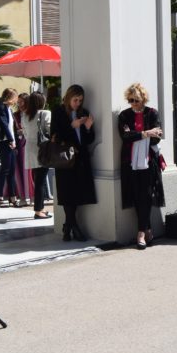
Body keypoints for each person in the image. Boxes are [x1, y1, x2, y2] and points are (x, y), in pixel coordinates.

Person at [117, 83, 165, 248]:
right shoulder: (124, 115)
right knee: (137, 196)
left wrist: (139, 135)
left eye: (136, 100)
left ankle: (141, 233)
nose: (133, 103)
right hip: (129, 161)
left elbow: (156, 138)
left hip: (148, 160)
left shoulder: (152, 113)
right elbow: (125, 136)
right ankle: (148, 229)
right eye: (130, 100)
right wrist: (146, 133)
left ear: (143, 99)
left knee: (146, 194)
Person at [51, 84, 96, 241]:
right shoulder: (58, 112)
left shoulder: (84, 113)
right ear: (69, 98)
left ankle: (68, 225)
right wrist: (72, 126)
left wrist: (88, 128)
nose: (78, 103)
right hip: (64, 159)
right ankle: (74, 227)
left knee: (76, 194)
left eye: (80, 100)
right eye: (75, 100)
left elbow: (89, 140)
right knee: (66, 193)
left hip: (80, 159)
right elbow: (55, 136)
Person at [24, 91, 52, 219]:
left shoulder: (25, 115)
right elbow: (49, 130)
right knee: (41, 181)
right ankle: (38, 210)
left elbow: (25, 133)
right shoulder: (45, 113)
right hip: (42, 148)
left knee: (38, 179)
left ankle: (40, 208)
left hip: (30, 148)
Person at [0, 88, 22, 207]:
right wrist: (11, 139)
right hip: (4, 142)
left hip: (11, 142)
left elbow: (10, 127)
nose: (16, 100)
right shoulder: (1, 107)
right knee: (5, 169)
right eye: (15, 97)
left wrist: (14, 138)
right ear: (11, 97)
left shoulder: (9, 109)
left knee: (11, 171)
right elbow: (4, 125)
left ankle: (12, 197)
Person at [14, 92, 34, 206]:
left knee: (31, 172)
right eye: (18, 102)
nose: (20, 104)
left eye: (22, 102)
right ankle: (22, 197)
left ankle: (33, 197)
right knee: (20, 171)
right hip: (19, 145)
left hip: (30, 144)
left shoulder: (32, 114)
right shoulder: (15, 115)